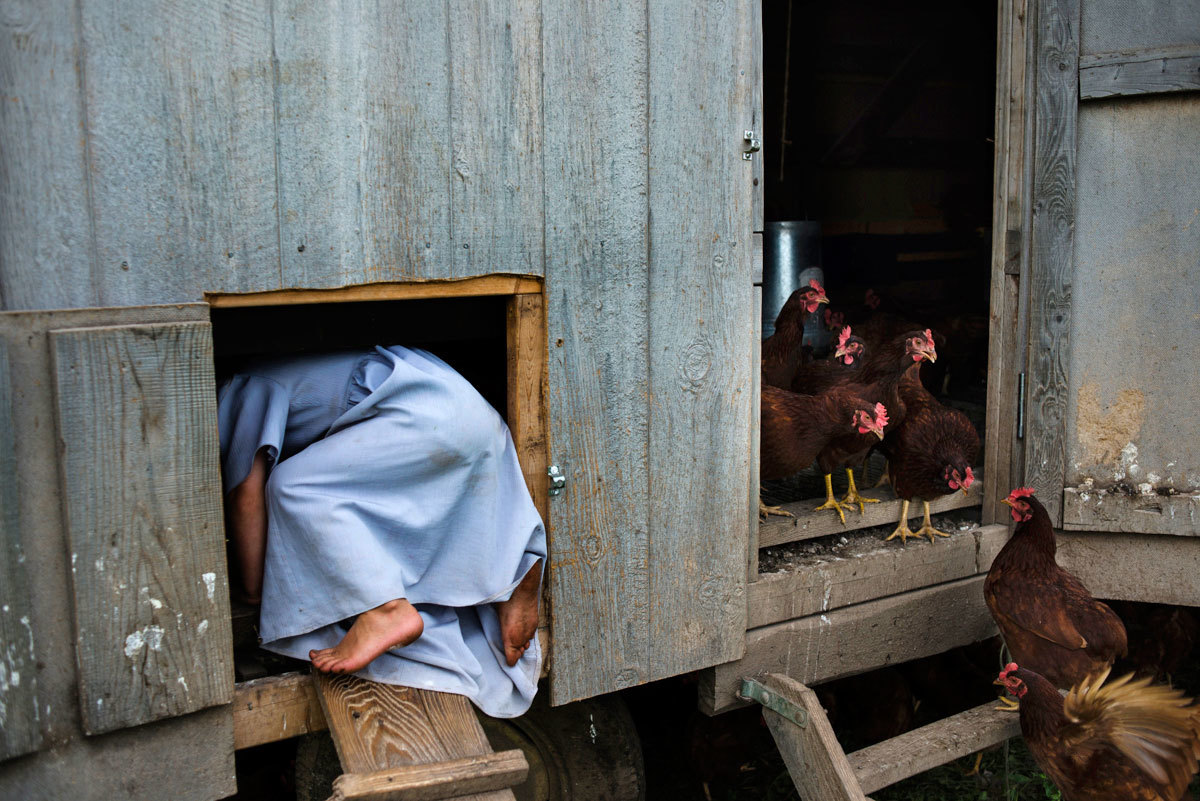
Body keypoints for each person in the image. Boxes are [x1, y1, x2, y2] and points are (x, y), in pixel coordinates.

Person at [218, 345, 546, 718]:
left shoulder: (233, 391)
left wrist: (253, 588)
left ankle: (386, 609)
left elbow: (247, 493)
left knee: (293, 488)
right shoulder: (277, 367)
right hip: (465, 408)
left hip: (420, 418)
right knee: (395, 519)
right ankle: (514, 567)